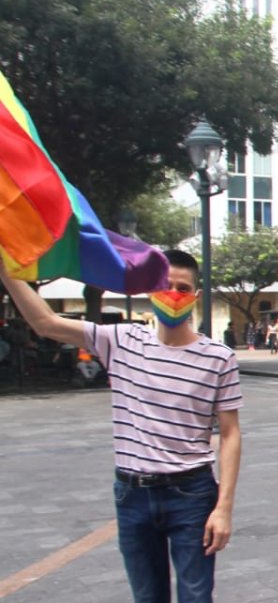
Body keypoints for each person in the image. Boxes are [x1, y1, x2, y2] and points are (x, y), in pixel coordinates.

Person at [0, 249, 242, 603]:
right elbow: (45, 323)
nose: (173, 293)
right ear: (150, 291)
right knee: (146, 597)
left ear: (196, 296)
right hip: (133, 494)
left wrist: (224, 509)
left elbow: (231, 434)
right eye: (165, 285)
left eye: (182, 287)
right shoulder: (121, 340)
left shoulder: (220, 358)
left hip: (192, 494)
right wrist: (7, 270)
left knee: (196, 596)